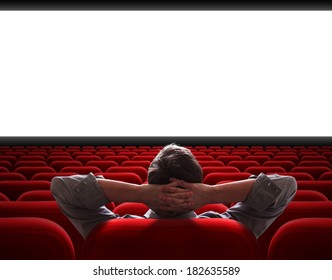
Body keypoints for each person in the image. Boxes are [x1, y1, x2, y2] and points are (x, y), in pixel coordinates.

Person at [51, 143, 297, 239]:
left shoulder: (111, 230)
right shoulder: (234, 229)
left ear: (149, 184)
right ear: (198, 184)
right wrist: (210, 194)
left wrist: (139, 193)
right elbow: (285, 186)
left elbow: (61, 187)